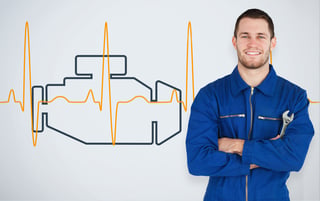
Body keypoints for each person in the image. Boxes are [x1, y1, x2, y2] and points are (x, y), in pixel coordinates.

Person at [186, 8, 314, 201]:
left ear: (273, 43)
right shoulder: (210, 95)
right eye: (245, 36)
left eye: (260, 36)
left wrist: (236, 145)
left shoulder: (294, 97)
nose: (252, 43)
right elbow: (198, 161)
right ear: (234, 41)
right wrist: (261, 158)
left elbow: (293, 157)